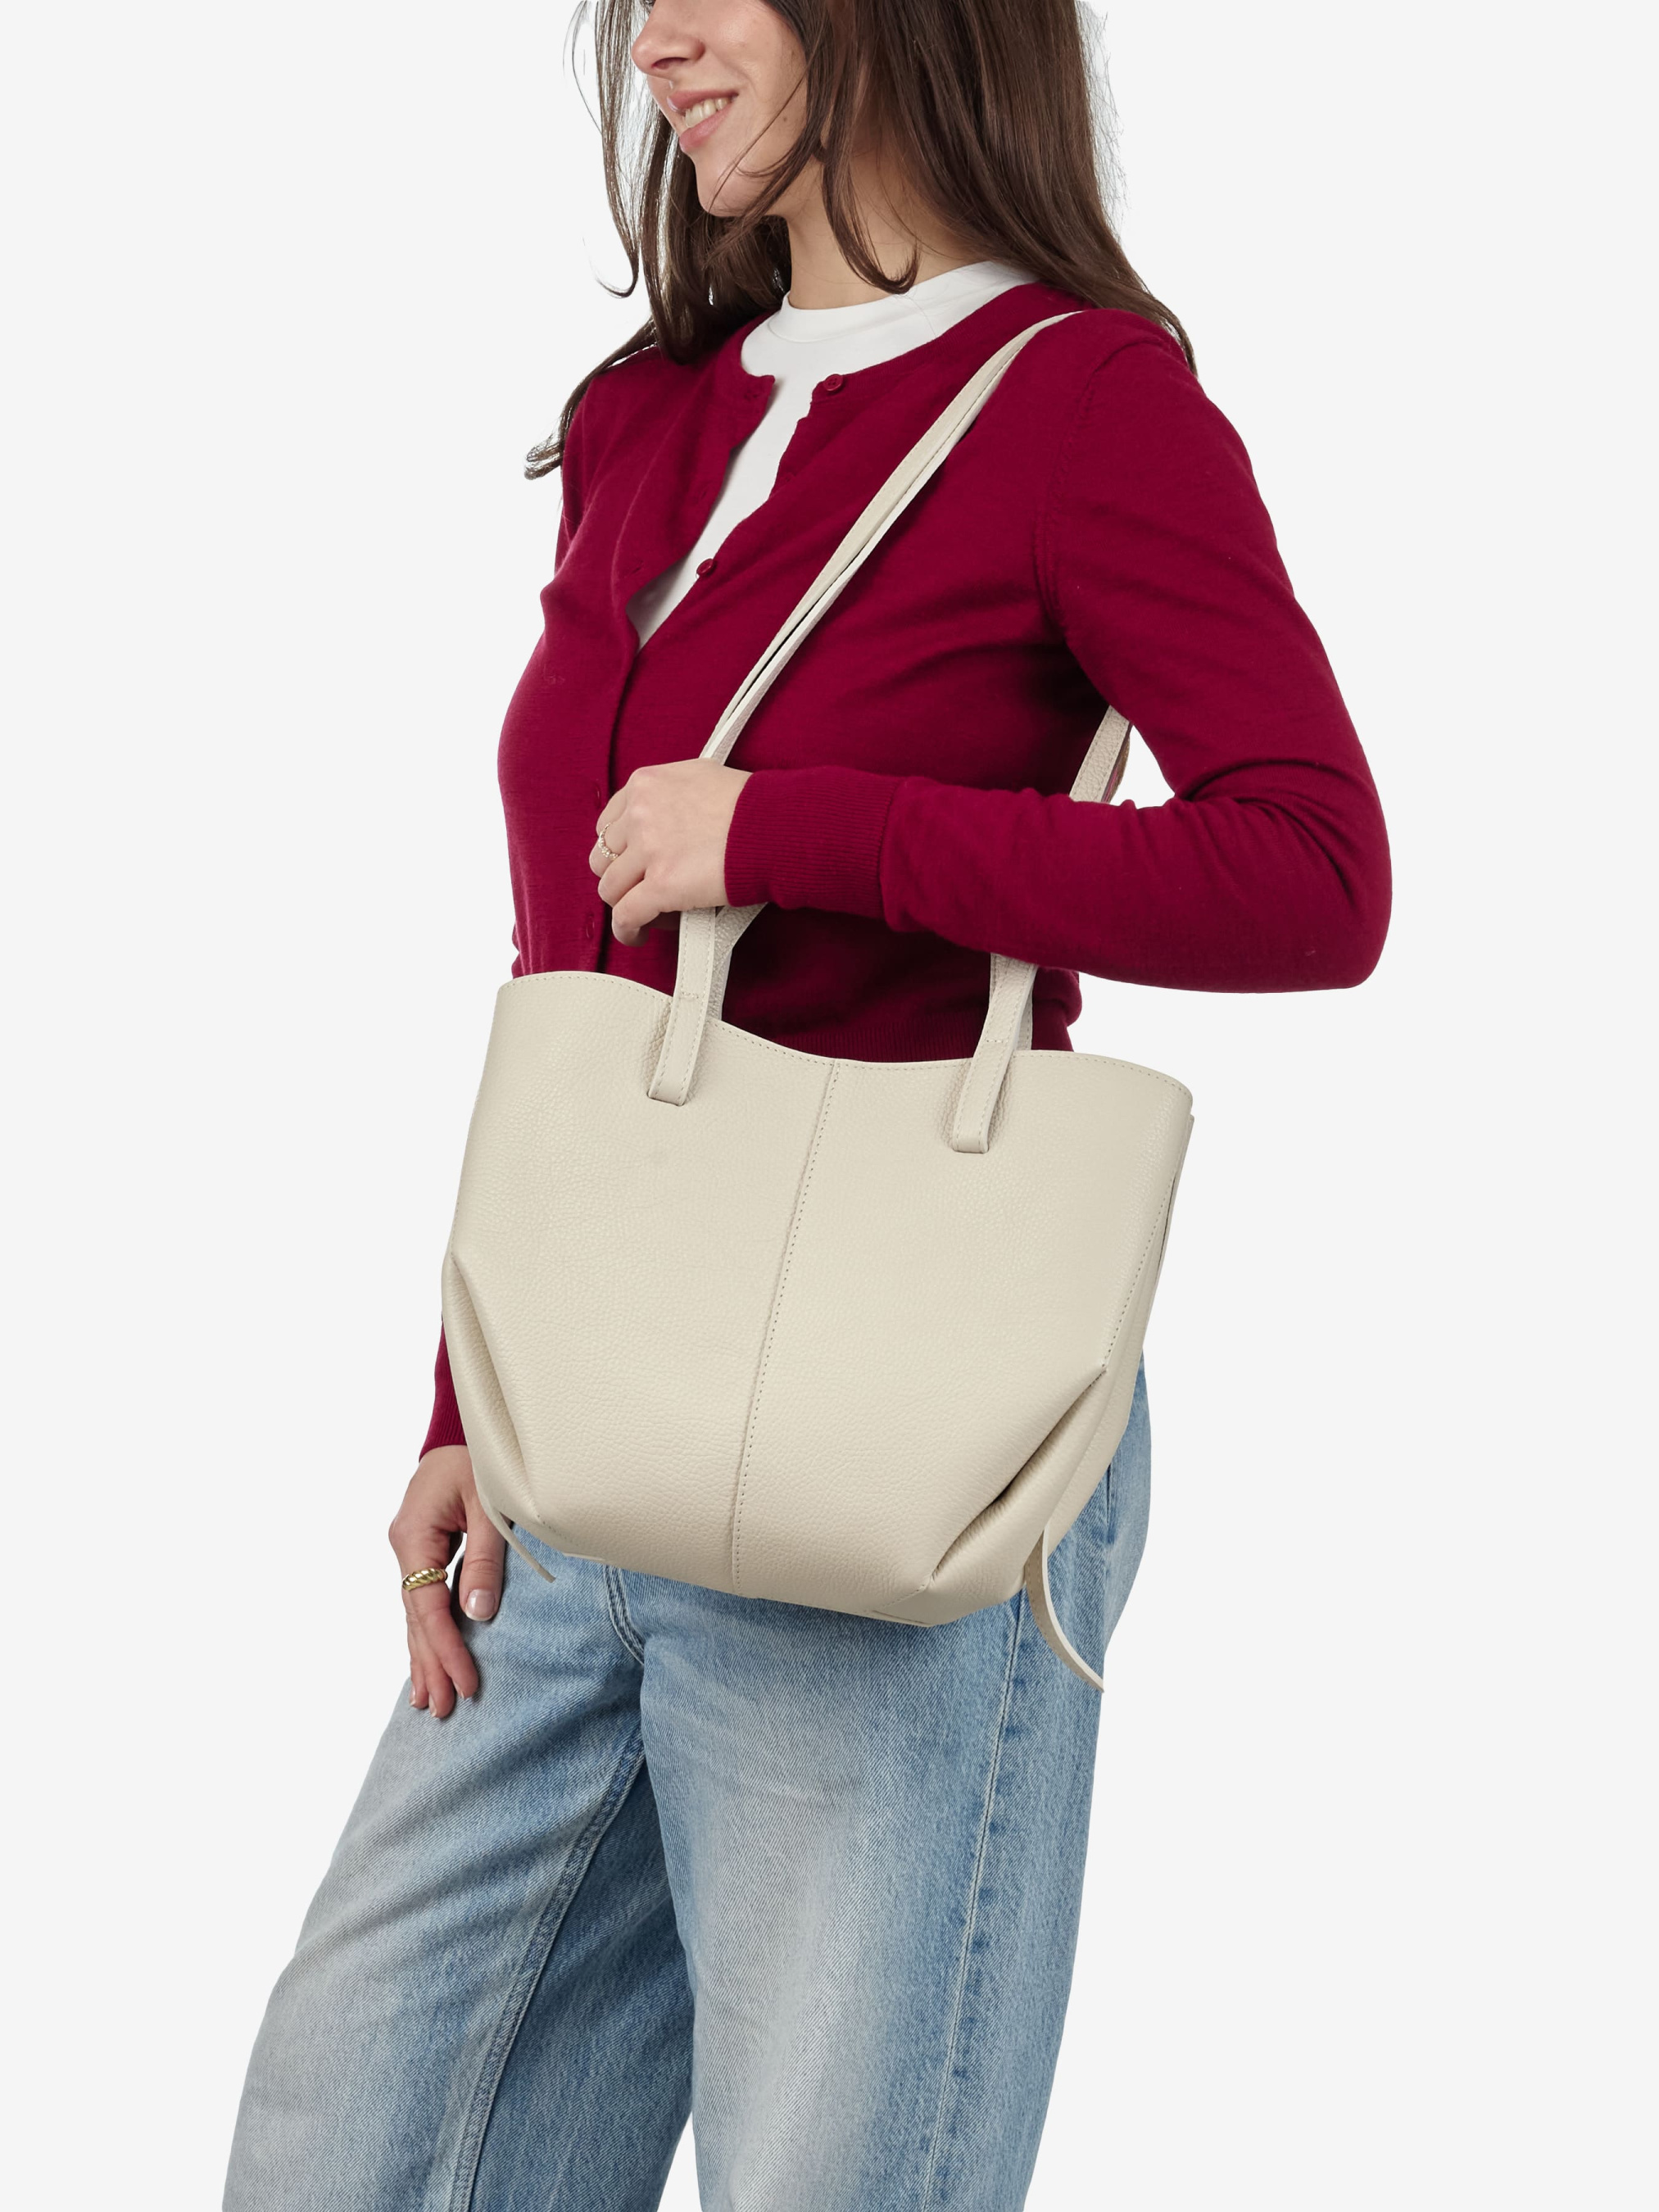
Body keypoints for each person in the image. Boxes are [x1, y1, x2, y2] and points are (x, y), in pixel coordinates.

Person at [224, 2, 1390, 2205]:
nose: (656, 38)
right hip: (584, 1430)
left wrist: (799, 832)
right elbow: (571, 957)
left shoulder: (1082, 405)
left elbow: (1311, 875)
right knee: (346, 2142)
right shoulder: (648, 413)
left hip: (902, 1438)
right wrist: (467, 1390)